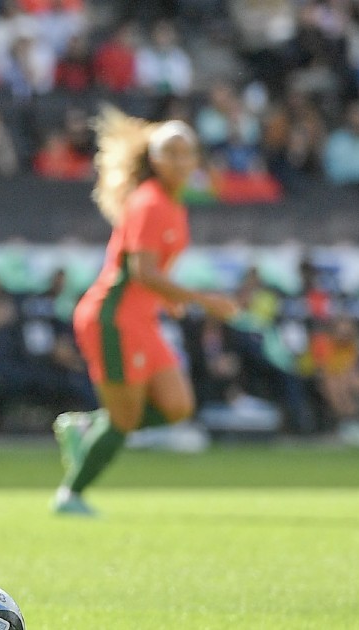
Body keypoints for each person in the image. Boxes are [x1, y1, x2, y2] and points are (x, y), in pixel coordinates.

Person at [50, 108, 238, 516]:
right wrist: (202, 300)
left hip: (140, 319)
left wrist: (168, 300)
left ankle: (89, 427)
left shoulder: (171, 203)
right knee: (125, 418)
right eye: (170, 152)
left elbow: (149, 275)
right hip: (112, 319)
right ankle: (71, 494)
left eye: (186, 153)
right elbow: (142, 272)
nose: (179, 161)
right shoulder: (150, 202)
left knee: (177, 405)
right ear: (154, 159)